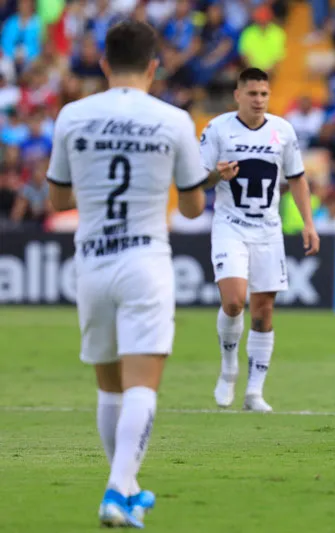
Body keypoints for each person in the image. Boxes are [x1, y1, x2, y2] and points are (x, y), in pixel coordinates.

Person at [46, 20, 226, 528]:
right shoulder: (172, 119)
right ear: (154, 65)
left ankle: (127, 487)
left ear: (103, 64)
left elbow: (58, 198)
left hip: (92, 260)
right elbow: (192, 209)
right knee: (143, 382)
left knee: (109, 387)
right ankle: (116, 489)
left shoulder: (72, 115)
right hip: (145, 258)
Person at [200, 68, 320, 413]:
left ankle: (254, 392)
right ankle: (228, 370)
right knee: (235, 301)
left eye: (264, 94)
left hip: (268, 229)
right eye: (252, 94)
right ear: (238, 94)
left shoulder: (283, 131)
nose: (258, 100)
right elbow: (196, 180)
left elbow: (297, 179)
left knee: (264, 311)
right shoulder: (218, 129)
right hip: (230, 225)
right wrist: (215, 175)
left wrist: (308, 224)